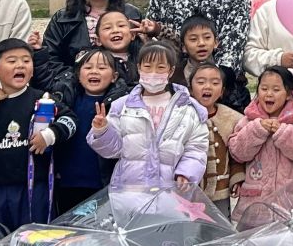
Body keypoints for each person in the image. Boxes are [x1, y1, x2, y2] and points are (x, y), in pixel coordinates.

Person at [0, 38, 69, 231]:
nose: (20, 65)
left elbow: (70, 120)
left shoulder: (41, 99)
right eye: (12, 61)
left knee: (34, 238)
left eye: (26, 61)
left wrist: (50, 135)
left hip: (34, 186)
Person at [89, 41, 209, 196]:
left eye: (160, 67)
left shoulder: (188, 109)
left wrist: (186, 173)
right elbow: (112, 150)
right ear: (139, 67)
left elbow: (197, 147)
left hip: (171, 194)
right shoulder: (122, 106)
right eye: (147, 66)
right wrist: (102, 130)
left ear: (171, 71)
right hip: (129, 192)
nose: (153, 72)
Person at [32, 0, 132, 94]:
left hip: (124, 96)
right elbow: (50, 61)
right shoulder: (62, 19)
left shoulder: (131, 15)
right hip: (73, 94)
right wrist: (79, 80)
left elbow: (140, 59)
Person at [228, 66, 293, 221]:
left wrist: (283, 133)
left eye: (276, 90)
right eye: (264, 89)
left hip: (288, 201)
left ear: (289, 94)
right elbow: (237, 152)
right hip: (256, 202)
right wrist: (256, 129)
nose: (269, 94)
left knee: (287, 235)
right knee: (256, 236)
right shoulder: (248, 120)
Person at [49, 47, 123, 212]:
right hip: (66, 181)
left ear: (114, 76)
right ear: (78, 75)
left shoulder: (119, 104)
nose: (94, 71)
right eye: (88, 67)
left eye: (102, 68)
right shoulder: (67, 99)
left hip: (102, 183)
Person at [187, 62, 244, 207]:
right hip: (189, 191)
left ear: (222, 91)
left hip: (221, 191)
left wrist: (237, 178)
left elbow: (236, 155)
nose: (207, 86)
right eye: (201, 82)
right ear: (190, 89)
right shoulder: (182, 116)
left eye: (215, 83)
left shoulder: (232, 119)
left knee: (221, 221)